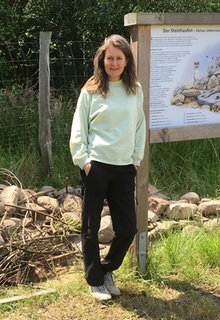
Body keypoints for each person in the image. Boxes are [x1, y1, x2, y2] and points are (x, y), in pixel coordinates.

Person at [69, 34, 146, 301]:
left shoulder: (135, 89)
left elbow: (139, 127)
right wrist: (85, 162)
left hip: (124, 168)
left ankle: (106, 270)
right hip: (97, 166)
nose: (113, 62)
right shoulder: (90, 90)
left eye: (119, 58)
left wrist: (135, 160)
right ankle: (94, 281)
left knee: (127, 229)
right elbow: (79, 129)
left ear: (127, 61)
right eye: (109, 58)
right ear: (102, 60)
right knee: (90, 227)